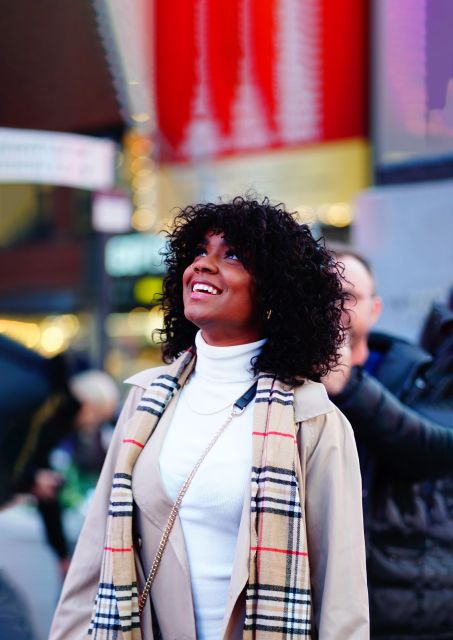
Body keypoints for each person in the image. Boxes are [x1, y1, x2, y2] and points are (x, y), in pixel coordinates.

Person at [50, 196, 369, 640]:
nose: (204, 265)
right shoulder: (147, 401)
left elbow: (342, 591)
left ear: (274, 291)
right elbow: (94, 553)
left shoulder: (312, 418)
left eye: (232, 255)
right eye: (200, 251)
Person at [324, 251, 453, 639]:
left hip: (406, 611)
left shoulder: (423, 373)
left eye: (346, 295)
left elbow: (432, 450)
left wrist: (347, 384)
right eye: (318, 294)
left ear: (375, 309)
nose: (332, 307)